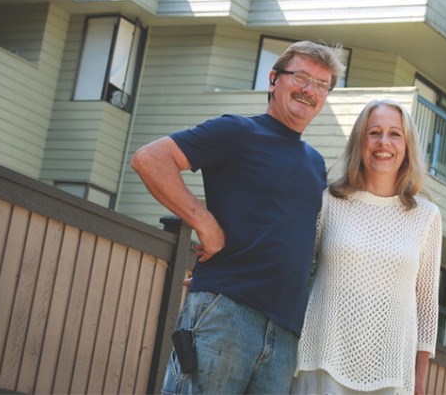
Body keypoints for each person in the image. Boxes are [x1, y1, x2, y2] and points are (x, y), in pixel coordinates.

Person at [131, 41, 346, 394]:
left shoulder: (314, 163)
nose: (310, 91)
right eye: (302, 78)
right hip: (226, 311)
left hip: (286, 330)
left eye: (322, 85)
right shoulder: (238, 131)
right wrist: (204, 222)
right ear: (274, 79)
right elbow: (150, 159)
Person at [291, 99, 443, 395]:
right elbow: (291, 264)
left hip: (391, 371)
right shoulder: (329, 201)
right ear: (360, 141)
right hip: (322, 360)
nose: (383, 142)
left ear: (408, 144)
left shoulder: (426, 216)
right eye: (374, 132)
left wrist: (419, 383)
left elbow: (426, 306)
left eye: (394, 134)